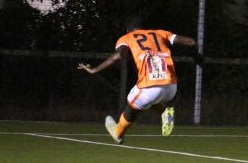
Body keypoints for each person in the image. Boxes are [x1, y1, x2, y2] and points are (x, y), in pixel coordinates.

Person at [78, 15, 200, 144]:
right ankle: (165, 113)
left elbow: (119, 55)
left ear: (127, 30)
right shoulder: (159, 33)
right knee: (149, 99)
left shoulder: (126, 38)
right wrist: (198, 58)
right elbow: (191, 42)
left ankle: (118, 134)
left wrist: (95, 69)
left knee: (132, 104)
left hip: (151, 87)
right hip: (171, 87)